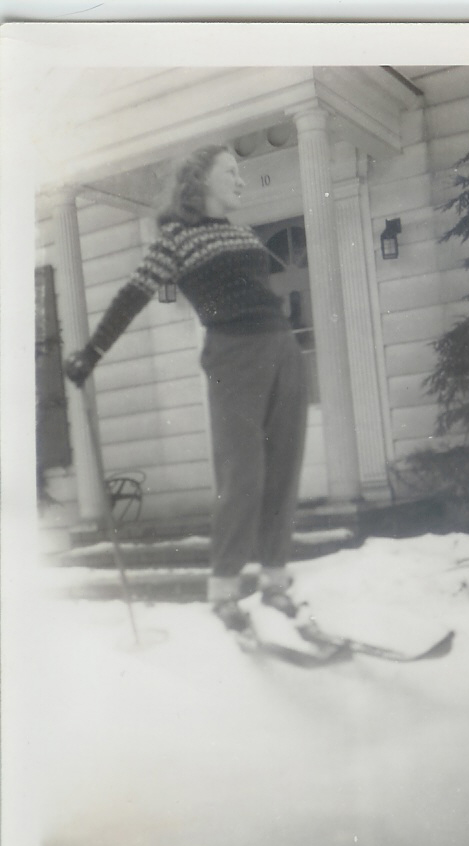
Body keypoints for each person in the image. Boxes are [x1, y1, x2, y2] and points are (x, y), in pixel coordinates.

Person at [64, 144, 309, 638]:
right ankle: (223, 589)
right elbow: (131, 296)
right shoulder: (175, 240)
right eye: (232, 172)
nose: (241, 181)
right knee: (244, 473)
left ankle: (275, 578)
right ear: (200, 183)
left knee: (284, 467)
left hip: (283, 349)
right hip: (234, 357)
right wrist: (91, 352)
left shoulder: (242, 232)